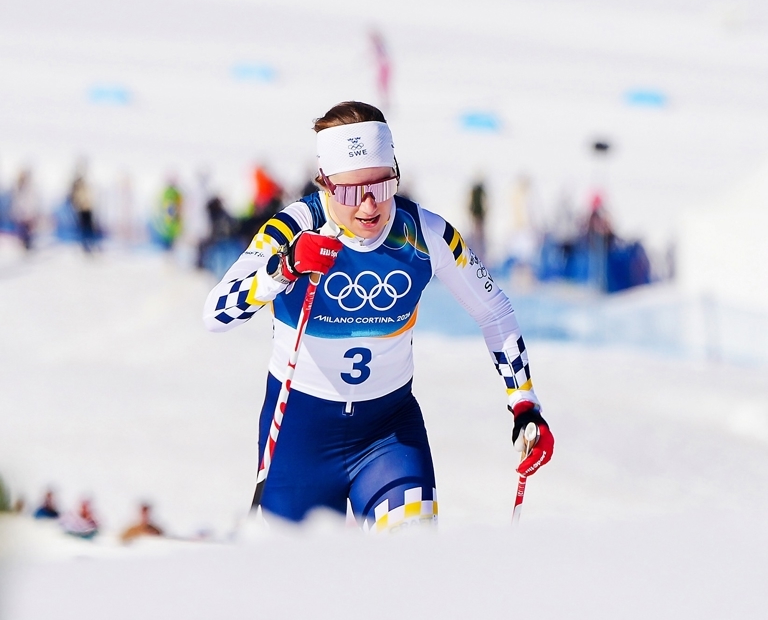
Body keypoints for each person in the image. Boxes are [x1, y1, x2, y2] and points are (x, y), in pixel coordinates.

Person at [204, 101, 554, 530]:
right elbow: (217, 312)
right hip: (300, 434)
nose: (369, 205)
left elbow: (495, 312)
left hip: (387, 431)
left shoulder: (425, 233)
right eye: (351, 191)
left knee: (410, 567)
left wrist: (524, 403)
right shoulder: (293, 227)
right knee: (295, 588)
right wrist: (284, 269)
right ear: (324, 184)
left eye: (383, 185)